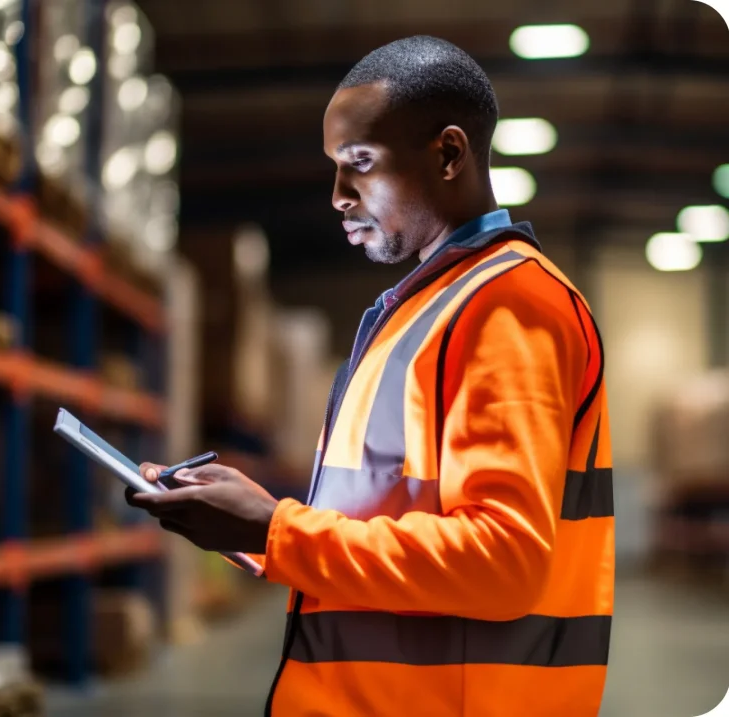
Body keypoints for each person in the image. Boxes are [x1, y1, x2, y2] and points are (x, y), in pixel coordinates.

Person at [128, 36, 613, 716]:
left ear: (448, 154)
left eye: (358, 164)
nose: (337, 196)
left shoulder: (508, 306)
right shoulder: (427, 310)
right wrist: (254, 531)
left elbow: (503, 561)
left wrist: (278, 530)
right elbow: (391, 522)